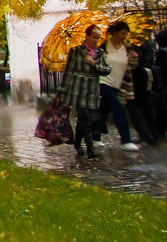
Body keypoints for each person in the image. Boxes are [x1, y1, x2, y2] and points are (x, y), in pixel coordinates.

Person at [59, 24, 110, 159]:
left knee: (83, 119)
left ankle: (77, 143)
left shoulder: (99, 54)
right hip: (77, 90)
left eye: (98, 38)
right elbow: (68, 72)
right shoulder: (75, 51)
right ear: (87, 36)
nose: (95, 40)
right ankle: (91, 149)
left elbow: (107, 70)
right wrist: (62, 91)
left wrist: (94, 64)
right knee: (85, 117)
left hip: (91, 91)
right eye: (93, 37)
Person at [98, 20, 140, 151]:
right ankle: (126, 140)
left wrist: (133, 58)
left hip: (117, 85)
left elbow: (131, 67)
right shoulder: (104, 46)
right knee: (118, 108)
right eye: (122, 33)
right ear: (114, 32)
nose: (124, 36)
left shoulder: (126, 48)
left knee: (103, 111)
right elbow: (96, 63)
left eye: (126, 34)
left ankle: (94, 136)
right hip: (103, 82)